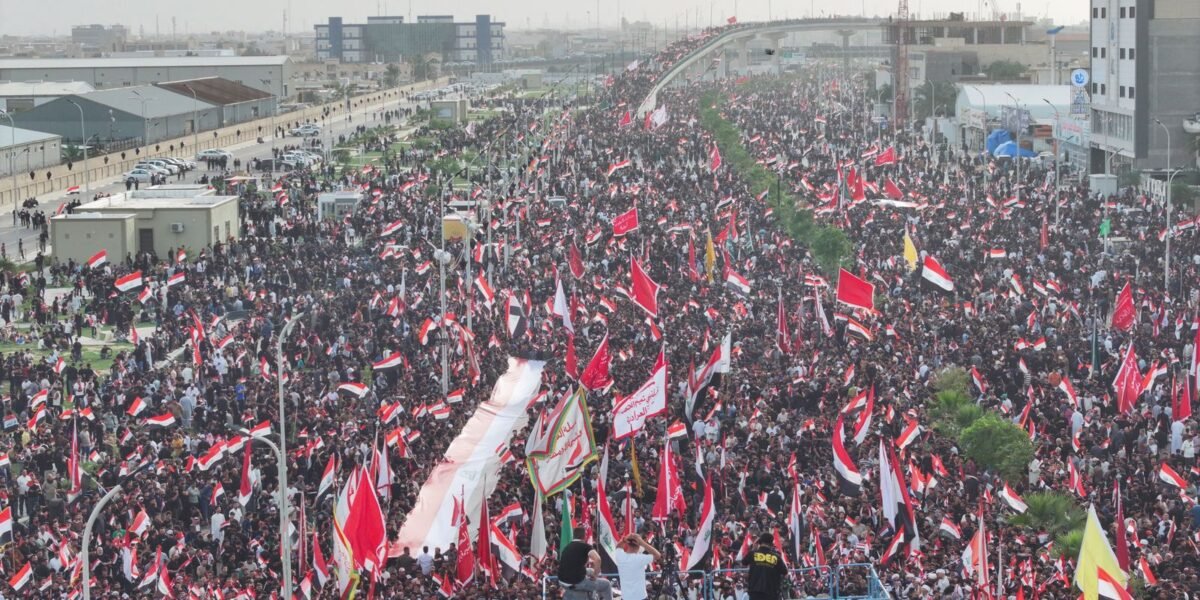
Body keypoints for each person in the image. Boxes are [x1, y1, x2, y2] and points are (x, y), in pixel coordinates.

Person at [557, 527, 613, 600]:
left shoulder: (567, 547)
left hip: (562, 581)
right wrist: (595, 575)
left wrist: (593, 571)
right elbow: (598, 559)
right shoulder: (585, 547)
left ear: (574, 536)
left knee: (591, 571)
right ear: (584, 536)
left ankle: (592, 594)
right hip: (576, 582)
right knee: (606, 584)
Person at [612, 533, 661, 600]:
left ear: (627, 544)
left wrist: (624, 539)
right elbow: (658, 555)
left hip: (626, 597)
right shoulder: (640, 558)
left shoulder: (620, 556)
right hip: (641, 597)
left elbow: (618, 547)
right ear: (639, 546)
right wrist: (642, 543)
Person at [742, 533, 786, 600]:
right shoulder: (776, 557)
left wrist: (753, 548)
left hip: (755, 591)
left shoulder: (753, 554)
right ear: (771, 544)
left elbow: (743, 562)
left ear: (759, 542)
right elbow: (785, 572)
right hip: (771, 592)